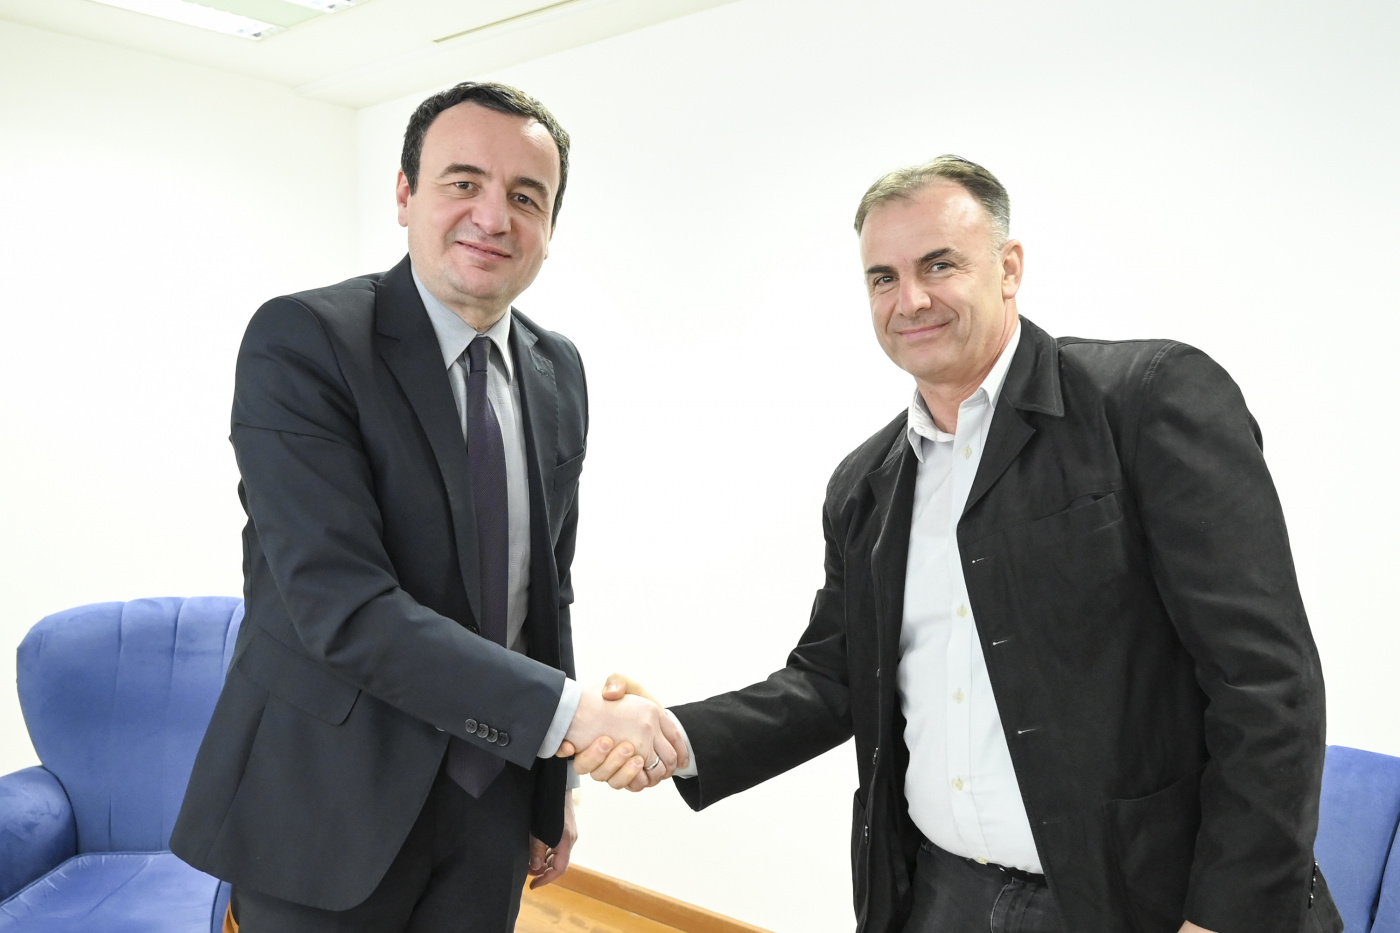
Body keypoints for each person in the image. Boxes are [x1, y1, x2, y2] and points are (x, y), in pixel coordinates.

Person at [570, 156, 1341, 933]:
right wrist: (676, 735)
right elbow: (832, 679)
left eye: (938, 264)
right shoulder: (866, 485)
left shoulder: (1145, 399)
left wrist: (1227, 918)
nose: (910, 299)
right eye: (883, 277)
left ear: (1009, 268)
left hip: (1140, 901)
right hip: (942, 896)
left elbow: (1267, 681)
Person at [170, 81, 684, 933]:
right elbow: (344, 607)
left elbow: (543, 595)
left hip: (492, 797)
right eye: (463, 182)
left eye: (527, 196)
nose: (493, 216)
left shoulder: (558, 369)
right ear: (406, 195)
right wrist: (577, 716)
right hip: (325, 801)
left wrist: (554, 781)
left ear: (550, 228)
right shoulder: (304, 342)